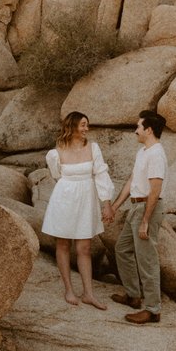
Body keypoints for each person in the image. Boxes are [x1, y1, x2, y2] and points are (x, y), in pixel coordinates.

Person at [41, 111, 115, 309]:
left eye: (87, 125)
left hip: (86, 199)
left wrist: (106, 202)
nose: (86, 129)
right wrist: (71, 188)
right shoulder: (56, 153)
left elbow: (100, 174)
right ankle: (69, 289)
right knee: (63, 245)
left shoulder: (93, 148)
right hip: (64, 198)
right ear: (72, 126)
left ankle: (88, 293)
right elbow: (57, 176)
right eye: (83, 125)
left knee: (85, 248)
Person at [108, 110, 168, 325]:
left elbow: (155, 189)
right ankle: (134, 295)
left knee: (147, 260)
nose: (136, 130)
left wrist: (145, 220)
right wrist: (115, 206)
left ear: (148, 130)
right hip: (135, 207)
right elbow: (132, 181)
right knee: (122, 249)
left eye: (138, 126)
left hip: (147, 209)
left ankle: (153, 310)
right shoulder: (143, 152)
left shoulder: (156, 154)